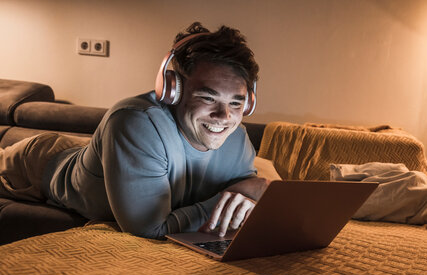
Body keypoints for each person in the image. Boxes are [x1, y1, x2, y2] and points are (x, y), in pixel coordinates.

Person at [0, 22, 268, 239]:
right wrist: (239, 196)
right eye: (208, 98)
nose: (225, 116)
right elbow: (150, 229)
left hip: (95, 153)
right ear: (173, 90)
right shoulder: (135, 122)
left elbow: (248, 202)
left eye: (236, 102)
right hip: (34, 165)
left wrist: (254, 194)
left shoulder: (238, 138)